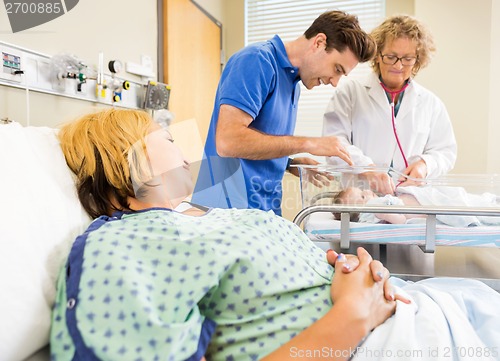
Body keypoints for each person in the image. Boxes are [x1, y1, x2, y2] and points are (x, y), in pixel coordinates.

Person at [50, 108, 406, 361]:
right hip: (375, 339)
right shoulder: (120, 243)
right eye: (169, 138)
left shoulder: (200, 217)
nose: (184, 153)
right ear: (124, 154)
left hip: (404, 313)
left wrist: (359, 273)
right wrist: (353, 313)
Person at [192, 10, 377, 216]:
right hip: (226, 212)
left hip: (263, 211)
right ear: (319, 43)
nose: (334, 82)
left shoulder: (293, 84)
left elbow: (256, 140)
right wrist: (309, 143)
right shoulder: (257, 61)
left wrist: (289, 163)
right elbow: (227, 142)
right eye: (337, 69)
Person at [322, 15, 457, 195]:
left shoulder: (430, 103)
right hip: (361, 198)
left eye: (408, 58)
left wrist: (425, 165)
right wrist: (367, 169)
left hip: (409, 201)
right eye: (391, 57)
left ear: (418, 59)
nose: (399, 65)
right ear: (377, 55)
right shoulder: (350, 93)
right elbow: (334, 143)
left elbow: (445, 151)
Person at [333, 185, 500, 227]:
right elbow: (399, 219)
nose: (368, 191)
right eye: (363, 196)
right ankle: (490, 208)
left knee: (465, 200)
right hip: (432, 204)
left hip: (429, 197)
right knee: (468, 205)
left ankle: (490, 204)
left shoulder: (376, 204)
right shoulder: (375, 208)